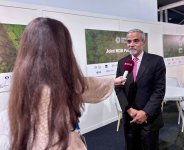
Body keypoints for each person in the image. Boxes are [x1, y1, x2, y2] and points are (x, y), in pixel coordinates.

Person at [8, 17, 125, 150]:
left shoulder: (24, 80)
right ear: (60, 47)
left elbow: (84, 84)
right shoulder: (52, 89)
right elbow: (83, 86)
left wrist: (112, 81)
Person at [115, 29, 166, 150]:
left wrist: (145, 112)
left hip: (149, 118)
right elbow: (118, 89)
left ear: (143, 41)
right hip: (130, 117)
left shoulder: (156, 61)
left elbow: (159, 90)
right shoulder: (122, 62)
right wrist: (129, 110)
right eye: (129, 41)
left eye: (135, 41)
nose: (131, 44)